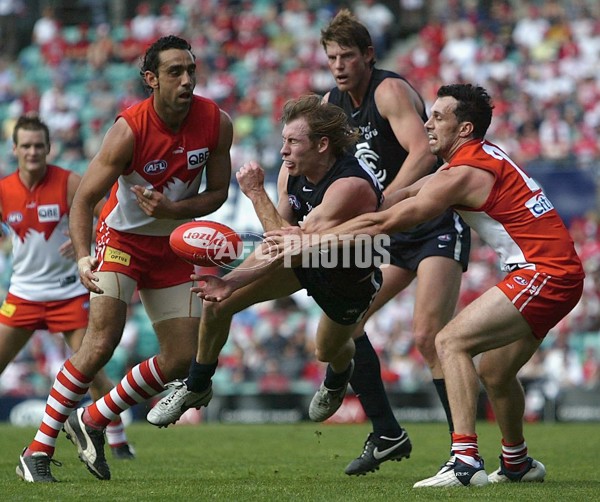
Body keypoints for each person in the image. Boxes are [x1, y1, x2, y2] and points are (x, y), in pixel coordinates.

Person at [268, 83, 584, 487]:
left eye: (438, 117)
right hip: (554, 272)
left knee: (449, 341)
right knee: (496, 372)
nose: (427, 123)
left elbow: (385, 223)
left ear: (465, 128)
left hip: (544, 273)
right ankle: (517, 462)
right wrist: (364, 198)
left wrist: (312, 238)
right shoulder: (472, 160)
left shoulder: (465, 172)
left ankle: (465, 461)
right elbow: (406, 193)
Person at [16, 35, 233, 483]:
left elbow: (217, 193)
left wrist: (173, 211)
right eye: (175, 71)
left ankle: (94, 417)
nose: (187, 79)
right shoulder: (129, 129)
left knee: (180, 357)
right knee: (100, 345)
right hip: (121, 240)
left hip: (172, 244)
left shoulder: (216, 121)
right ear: (151, 79)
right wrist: (81, 257)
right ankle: (36, 449)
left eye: (191, 69)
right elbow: (85, 200)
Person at [146, 95, 384, 442]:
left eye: (292, 142)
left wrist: (256, 192)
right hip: (301, 257)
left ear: (321, 145)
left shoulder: (348, 186)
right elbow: (281, 243)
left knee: (328, 349)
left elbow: (294, 247)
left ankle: (338, 375)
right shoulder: (294, 172)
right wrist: (230, 282)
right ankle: (197, 385)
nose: (283, 150)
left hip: (345, 274)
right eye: (283, 140)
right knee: (217, 302)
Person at [317, 9, 470, 475]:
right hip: (386, 230)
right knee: (349, 321)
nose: (339, 65)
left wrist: (384, 202)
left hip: (430, 222)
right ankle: (386, 433)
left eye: (347, 56)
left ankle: (462, 452)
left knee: (428, 335)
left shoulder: (388, 89)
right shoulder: (331, 102)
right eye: (331, 58)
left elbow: (424, 152)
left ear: (369, 55)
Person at [1, 115, 135, 462]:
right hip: (23, 295)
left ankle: (118, 441)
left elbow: (108, 214)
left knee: (92, 372)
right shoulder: (4, 190)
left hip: (67, 295)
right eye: (26, 146)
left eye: (39, 145)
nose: (32, 152)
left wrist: (86, 236)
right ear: (14, 149)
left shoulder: (68, 182)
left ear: (49, 148)